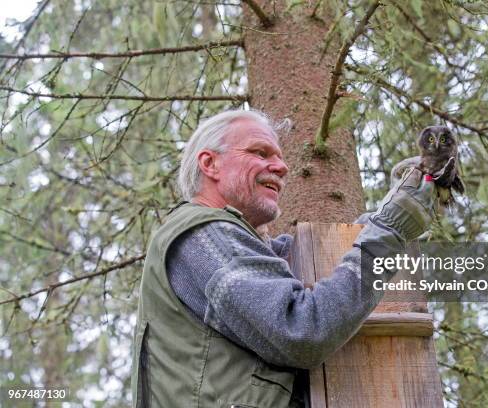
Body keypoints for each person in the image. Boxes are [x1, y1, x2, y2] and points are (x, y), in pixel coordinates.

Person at [130, 110, 440, 408]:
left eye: (279, 157)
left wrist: (390, 213)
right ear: (210, 164)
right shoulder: (203, 235)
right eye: (260, 153)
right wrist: (389, 229)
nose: (281, 167)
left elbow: (326, 274)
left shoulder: (235, 246)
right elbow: (302, 329)